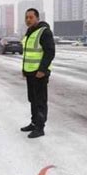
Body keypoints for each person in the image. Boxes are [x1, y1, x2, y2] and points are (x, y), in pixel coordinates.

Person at [20, 8, 55, 138]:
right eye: (26, 18)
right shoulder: (29, 32)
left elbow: (50, 52)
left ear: (37, 18)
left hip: (39, 73)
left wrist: (42, 70)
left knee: (40, 101)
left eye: (31, 17)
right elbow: (28, 53)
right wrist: (24, 69)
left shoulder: (44, 32)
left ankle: (40, 128)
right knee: (32, 99)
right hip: (30, 72)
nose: (28, 20)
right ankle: (34, 123)